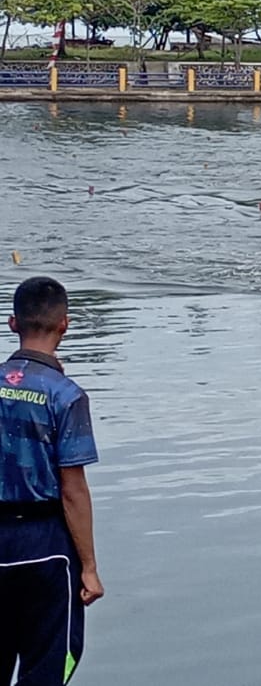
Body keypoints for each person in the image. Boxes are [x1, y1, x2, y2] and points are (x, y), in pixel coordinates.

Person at [0, 277, 102, 685]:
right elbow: (72, 491)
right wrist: (90, 567)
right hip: (45, 547)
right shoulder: (66, 395)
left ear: (12, 323)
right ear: (65, 324)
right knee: (49, 662)